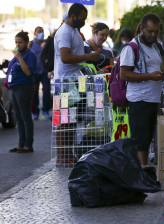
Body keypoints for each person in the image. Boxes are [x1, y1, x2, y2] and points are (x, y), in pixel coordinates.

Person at [120, 13, 164, 167]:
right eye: (150, 31)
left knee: (148, 138)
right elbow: (124, 74)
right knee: (140, 141)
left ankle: (144, 171)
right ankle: (142, 172)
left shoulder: (157, 46)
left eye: (156, 31)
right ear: (142, 28)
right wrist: (149, 76)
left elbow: (160, 69)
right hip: (139, 99)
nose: (153, 34)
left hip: (153, 98)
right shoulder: (131, 48)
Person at [53, 3, 99, 166]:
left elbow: (75, 55)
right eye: (81, 19)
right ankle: (61, 157)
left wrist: (88, 56)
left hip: (74, 82)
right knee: (64, 121)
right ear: (72, 16)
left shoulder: (74, 31)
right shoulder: (65, 32)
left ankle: (68, 155)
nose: (83, 21)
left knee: (71, 120)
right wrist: (89, 57)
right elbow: (65, 57)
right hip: (65, 83)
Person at [7, 31, 37, 153]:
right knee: (18, 116)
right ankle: (21, 143)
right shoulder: (19, 54)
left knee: (25, 115)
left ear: (26, 43)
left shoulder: (29, 54)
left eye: (20, 42)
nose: (18, 44)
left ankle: (28, 145)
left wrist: (19, 57)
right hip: (14, 87)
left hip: (24, 87)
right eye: (16, 42)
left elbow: (28, 72)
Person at [30, 26, 51, 120]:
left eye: (42, 31)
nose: (41, 33)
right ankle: (35, 112)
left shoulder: (46, 43)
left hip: (45, 71)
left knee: (46, 91)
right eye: (39, 32)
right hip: (34, 72)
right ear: (35, 33)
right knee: (34, 93)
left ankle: (45, 111)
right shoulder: (30, 44)